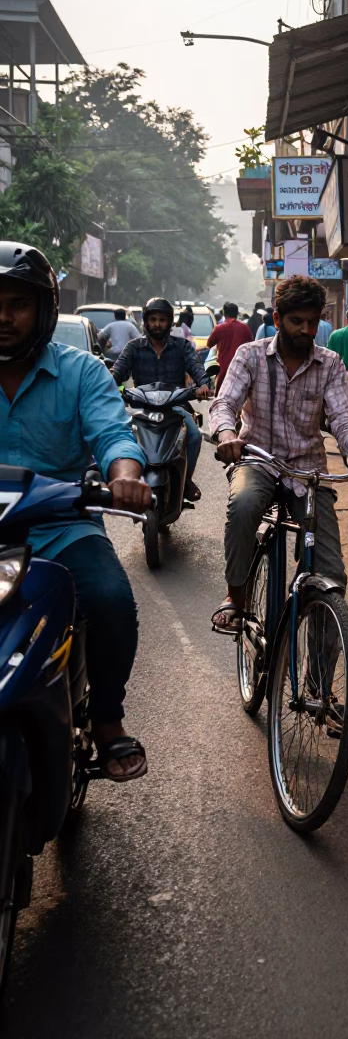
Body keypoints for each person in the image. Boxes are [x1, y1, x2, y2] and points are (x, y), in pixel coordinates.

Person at [0, 243, 152, 781]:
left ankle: (108, 722)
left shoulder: (82, 371)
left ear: (42, 309)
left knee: (112, 600)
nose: (3, 316)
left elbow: (114, 435)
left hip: (62, 526)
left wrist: (125, 479)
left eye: (17, 303)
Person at [209, 274, 348, 634]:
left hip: (309, 473)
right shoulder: (250, 356)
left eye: (311, 322)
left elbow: (344, 418)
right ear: (277, 320)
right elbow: (224, 403)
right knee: (242, 505)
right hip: (258, 459)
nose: (305, 330)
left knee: (331, 573)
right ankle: (235, 596)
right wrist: (227, 435)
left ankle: (319, 683)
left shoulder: (331, 364)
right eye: (296, 321)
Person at [113, 296, 210, 502]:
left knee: (194, 435)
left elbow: (197, 368)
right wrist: (108, 382)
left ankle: (186, 482)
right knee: (117, 436)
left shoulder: (182, 346)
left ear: (170, 322)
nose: (157, 324)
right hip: (140, 410)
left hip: (175, 408)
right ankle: (126, 479)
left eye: (162, 320)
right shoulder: (134, 347)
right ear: (146, 322)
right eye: (153, 319)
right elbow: (118, 373)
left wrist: (203, 385)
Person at [206, 300, 252, 391]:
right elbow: (251, 344)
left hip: (224, 369)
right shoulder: (245, 328)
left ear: (224, 313)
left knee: (219, 397)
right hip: (240, 370)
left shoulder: (219, 328)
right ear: (237, 313)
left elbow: (209, 344)